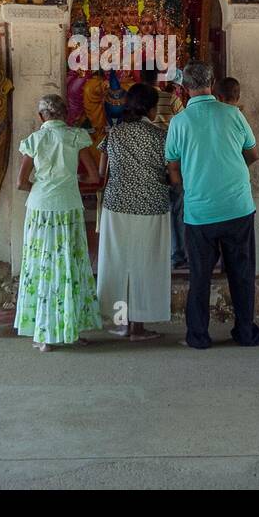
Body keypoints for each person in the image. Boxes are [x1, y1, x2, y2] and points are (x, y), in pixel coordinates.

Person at [164, 61, 259, 349]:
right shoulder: (233, 114)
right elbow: (253, 154)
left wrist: (188, 185)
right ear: (212, 81)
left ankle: (198, 336)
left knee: (200, 277)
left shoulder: (179, 122)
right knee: (241, 273)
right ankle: (245, 333)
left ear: (184, 87)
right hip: (238, 207)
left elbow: (172, 167)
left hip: (199, 212)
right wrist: (231, 171)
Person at [14, 94, 102, 352]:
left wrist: (43, 187)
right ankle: (70, 329)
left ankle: (43, 335)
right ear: (67, 115)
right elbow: (93, 175)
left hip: (40, 208)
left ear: (42, 116)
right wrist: (69, 183)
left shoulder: (34, 140)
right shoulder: (76, 137)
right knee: (69, 265)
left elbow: (21, 183)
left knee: (41, 265)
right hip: (68, 207)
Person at [96, 83, 172, 341]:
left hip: (116, 205)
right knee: (147, 264)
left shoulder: (114, 135)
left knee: (116, 262)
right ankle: (138, 327)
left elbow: (100, 173)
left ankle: (119, 322)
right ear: (150, 109)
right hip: (151, 206)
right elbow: (172, 173)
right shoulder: (160, 136)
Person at [141, 67, 186, 268]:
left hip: (147, 160)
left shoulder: (136, 100)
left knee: (151, 210)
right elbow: (185, 124)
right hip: (173, 159)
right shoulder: (171, 99)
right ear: (160, 77)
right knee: (177, 208)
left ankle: (152, 253)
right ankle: (178, 254)